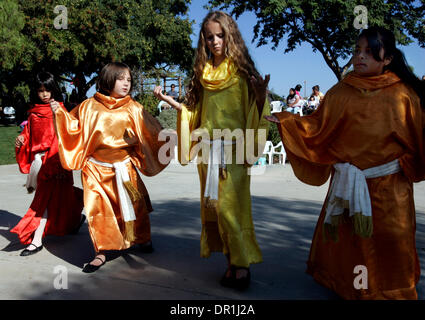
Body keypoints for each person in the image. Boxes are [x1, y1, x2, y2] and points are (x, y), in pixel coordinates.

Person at [265, 27, 425, 299]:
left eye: (369, 52)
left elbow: (419, 136)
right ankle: (346, 284)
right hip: (347, 183)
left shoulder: (404, 95)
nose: (360, 57)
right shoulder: (341, 91)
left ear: (387, 59)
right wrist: (289, 122)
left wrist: (407, 163)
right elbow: (317, 125)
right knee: (350, 240)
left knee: (391, 239)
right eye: (357, 51)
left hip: (389, 187)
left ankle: (391, 288)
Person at [153, 11, 270, 290]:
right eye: (209, 37)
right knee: (215, 208)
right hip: (208, 151)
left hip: (233, 150)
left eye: (220, 35)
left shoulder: (242, 72)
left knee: (231, 208)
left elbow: (257, 110)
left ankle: (241, 266)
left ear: (231, 36)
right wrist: (174, 105)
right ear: (203, 40)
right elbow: (196, 114)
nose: (215, 41)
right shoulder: (203, 72)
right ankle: (231, 261)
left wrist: (262, 96)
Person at [51, 62, 169, 273]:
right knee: (99, 211)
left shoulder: (134, 107)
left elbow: (151, 132)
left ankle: (142, 237)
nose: (126, 83)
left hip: (125, 169)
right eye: (121, 78)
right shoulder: (89, 106)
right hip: (96, 170)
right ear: (108, 79)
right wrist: (59, 114)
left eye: (129, 80)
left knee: (136, 205)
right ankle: (101, 252)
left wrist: (169, 139)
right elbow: (72, 126)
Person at [11, 72, 85, 256]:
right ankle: (75, 218)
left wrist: (57, 114)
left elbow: (69, 132)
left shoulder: (60, 109)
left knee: (47, 200)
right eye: (40, 91)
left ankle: (36, 240)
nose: (44, 94)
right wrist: (22, 138)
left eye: (48, 90)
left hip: (56, 161)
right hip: (40, 161)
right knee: (54, 198)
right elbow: (29, 134)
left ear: (54, 90)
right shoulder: (34, 113)